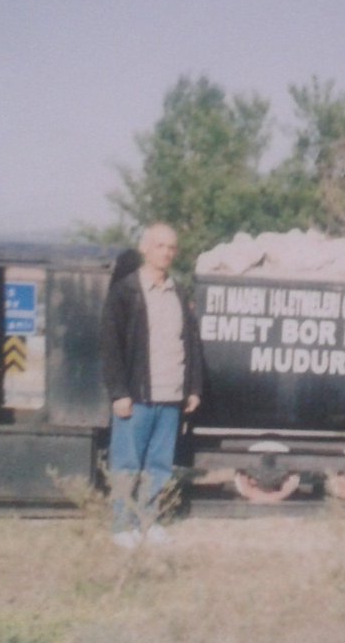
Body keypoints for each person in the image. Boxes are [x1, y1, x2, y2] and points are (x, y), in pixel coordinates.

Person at [99, 223, 203, 549]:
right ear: (145, 248)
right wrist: (119, 393)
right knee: (127, 463)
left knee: (158, 466)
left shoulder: (179, 292)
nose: (167, 252)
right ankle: (121, 527)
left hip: (170, 397)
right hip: (137, 397)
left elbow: (192, 345)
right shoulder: (125, 291)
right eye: (160, 246)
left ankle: (149, 521)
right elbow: (110, 346)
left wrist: (194, 389)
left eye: (172, 247)